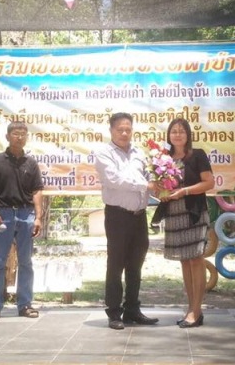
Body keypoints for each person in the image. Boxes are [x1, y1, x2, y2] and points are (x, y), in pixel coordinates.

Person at [95, 112, 159, 330]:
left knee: (136, 264)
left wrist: (159, 181)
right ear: (111, 130)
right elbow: (115, 180)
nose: (124, 133)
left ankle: (132, 309)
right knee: (116, 264)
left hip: (139, 216)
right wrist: (146, 185)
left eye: (128, 129)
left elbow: (148, 176)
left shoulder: (139, 153)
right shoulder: (104, 153)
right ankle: (114, 313)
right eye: (120, 129)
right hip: (117, 216)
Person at [0, 121, 44, 322]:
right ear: (7, 137)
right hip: (3, 214)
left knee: (26, 262)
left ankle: (25, 304)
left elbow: (37, 191)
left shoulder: (31, 163)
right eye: (16, 134)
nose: (19, 137)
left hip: (26, 215)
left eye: (23, 134)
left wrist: (38, 217)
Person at [158, 118, 214, 328]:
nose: (178, 134)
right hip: (174, 214)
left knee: (195, 259)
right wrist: (160, 192)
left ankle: (196, 311)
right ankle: (191, 308)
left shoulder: (197, 155)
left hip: (194, 213)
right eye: (174, 131)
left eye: (182, 131)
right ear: (169, 135)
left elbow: (209, 182)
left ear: (188, 135)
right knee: (184, 260)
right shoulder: (163, 159)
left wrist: (185, 191)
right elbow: (159, 185)